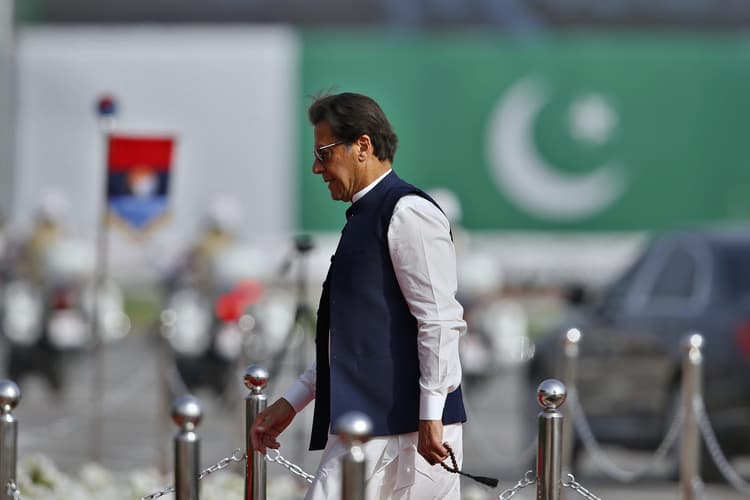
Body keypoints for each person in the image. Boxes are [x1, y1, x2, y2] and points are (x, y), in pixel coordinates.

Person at [251, 92, 467, 499]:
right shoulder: (366, 215)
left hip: (408, 435)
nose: (317, 168)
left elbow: (439, 319)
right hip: (368, 426)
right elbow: (354, 340)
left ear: (363, 146)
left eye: (324, 153)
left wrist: (431, 415)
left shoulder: (408, 212)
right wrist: (292, 402)